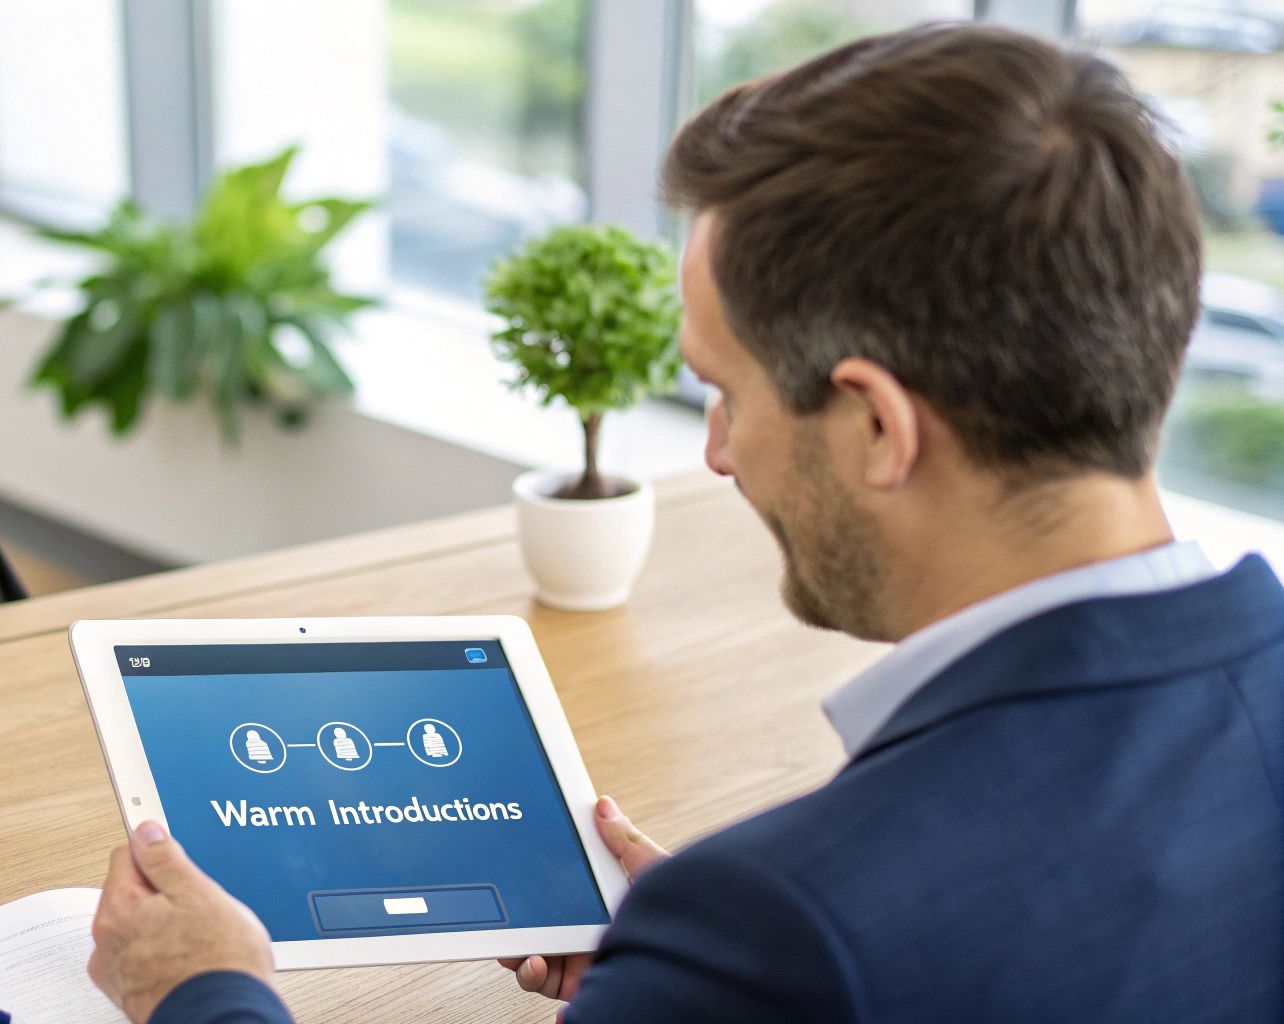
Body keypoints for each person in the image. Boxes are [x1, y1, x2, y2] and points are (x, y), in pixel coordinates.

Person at [85, 22, 1283, 1023]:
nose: (713, 452)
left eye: (722, 388)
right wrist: (670, 974)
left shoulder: (780, 931)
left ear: (874, 423)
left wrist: (207, 992)